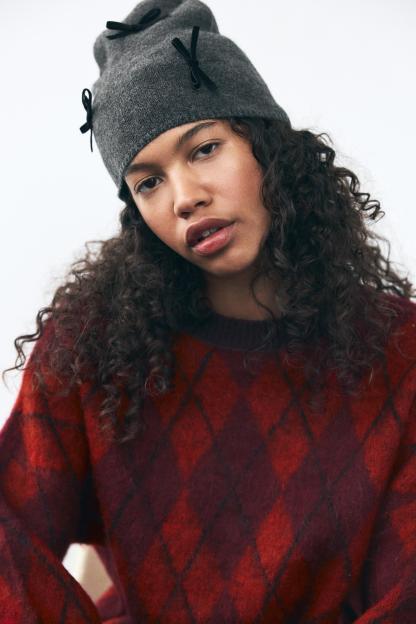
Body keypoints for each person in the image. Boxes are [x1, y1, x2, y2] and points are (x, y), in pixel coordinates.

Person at [1, 0, 415, 622]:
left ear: (267, 146)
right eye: (148, 182)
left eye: (204, 149)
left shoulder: (401, 352)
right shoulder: (94, 349)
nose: (185, 198)